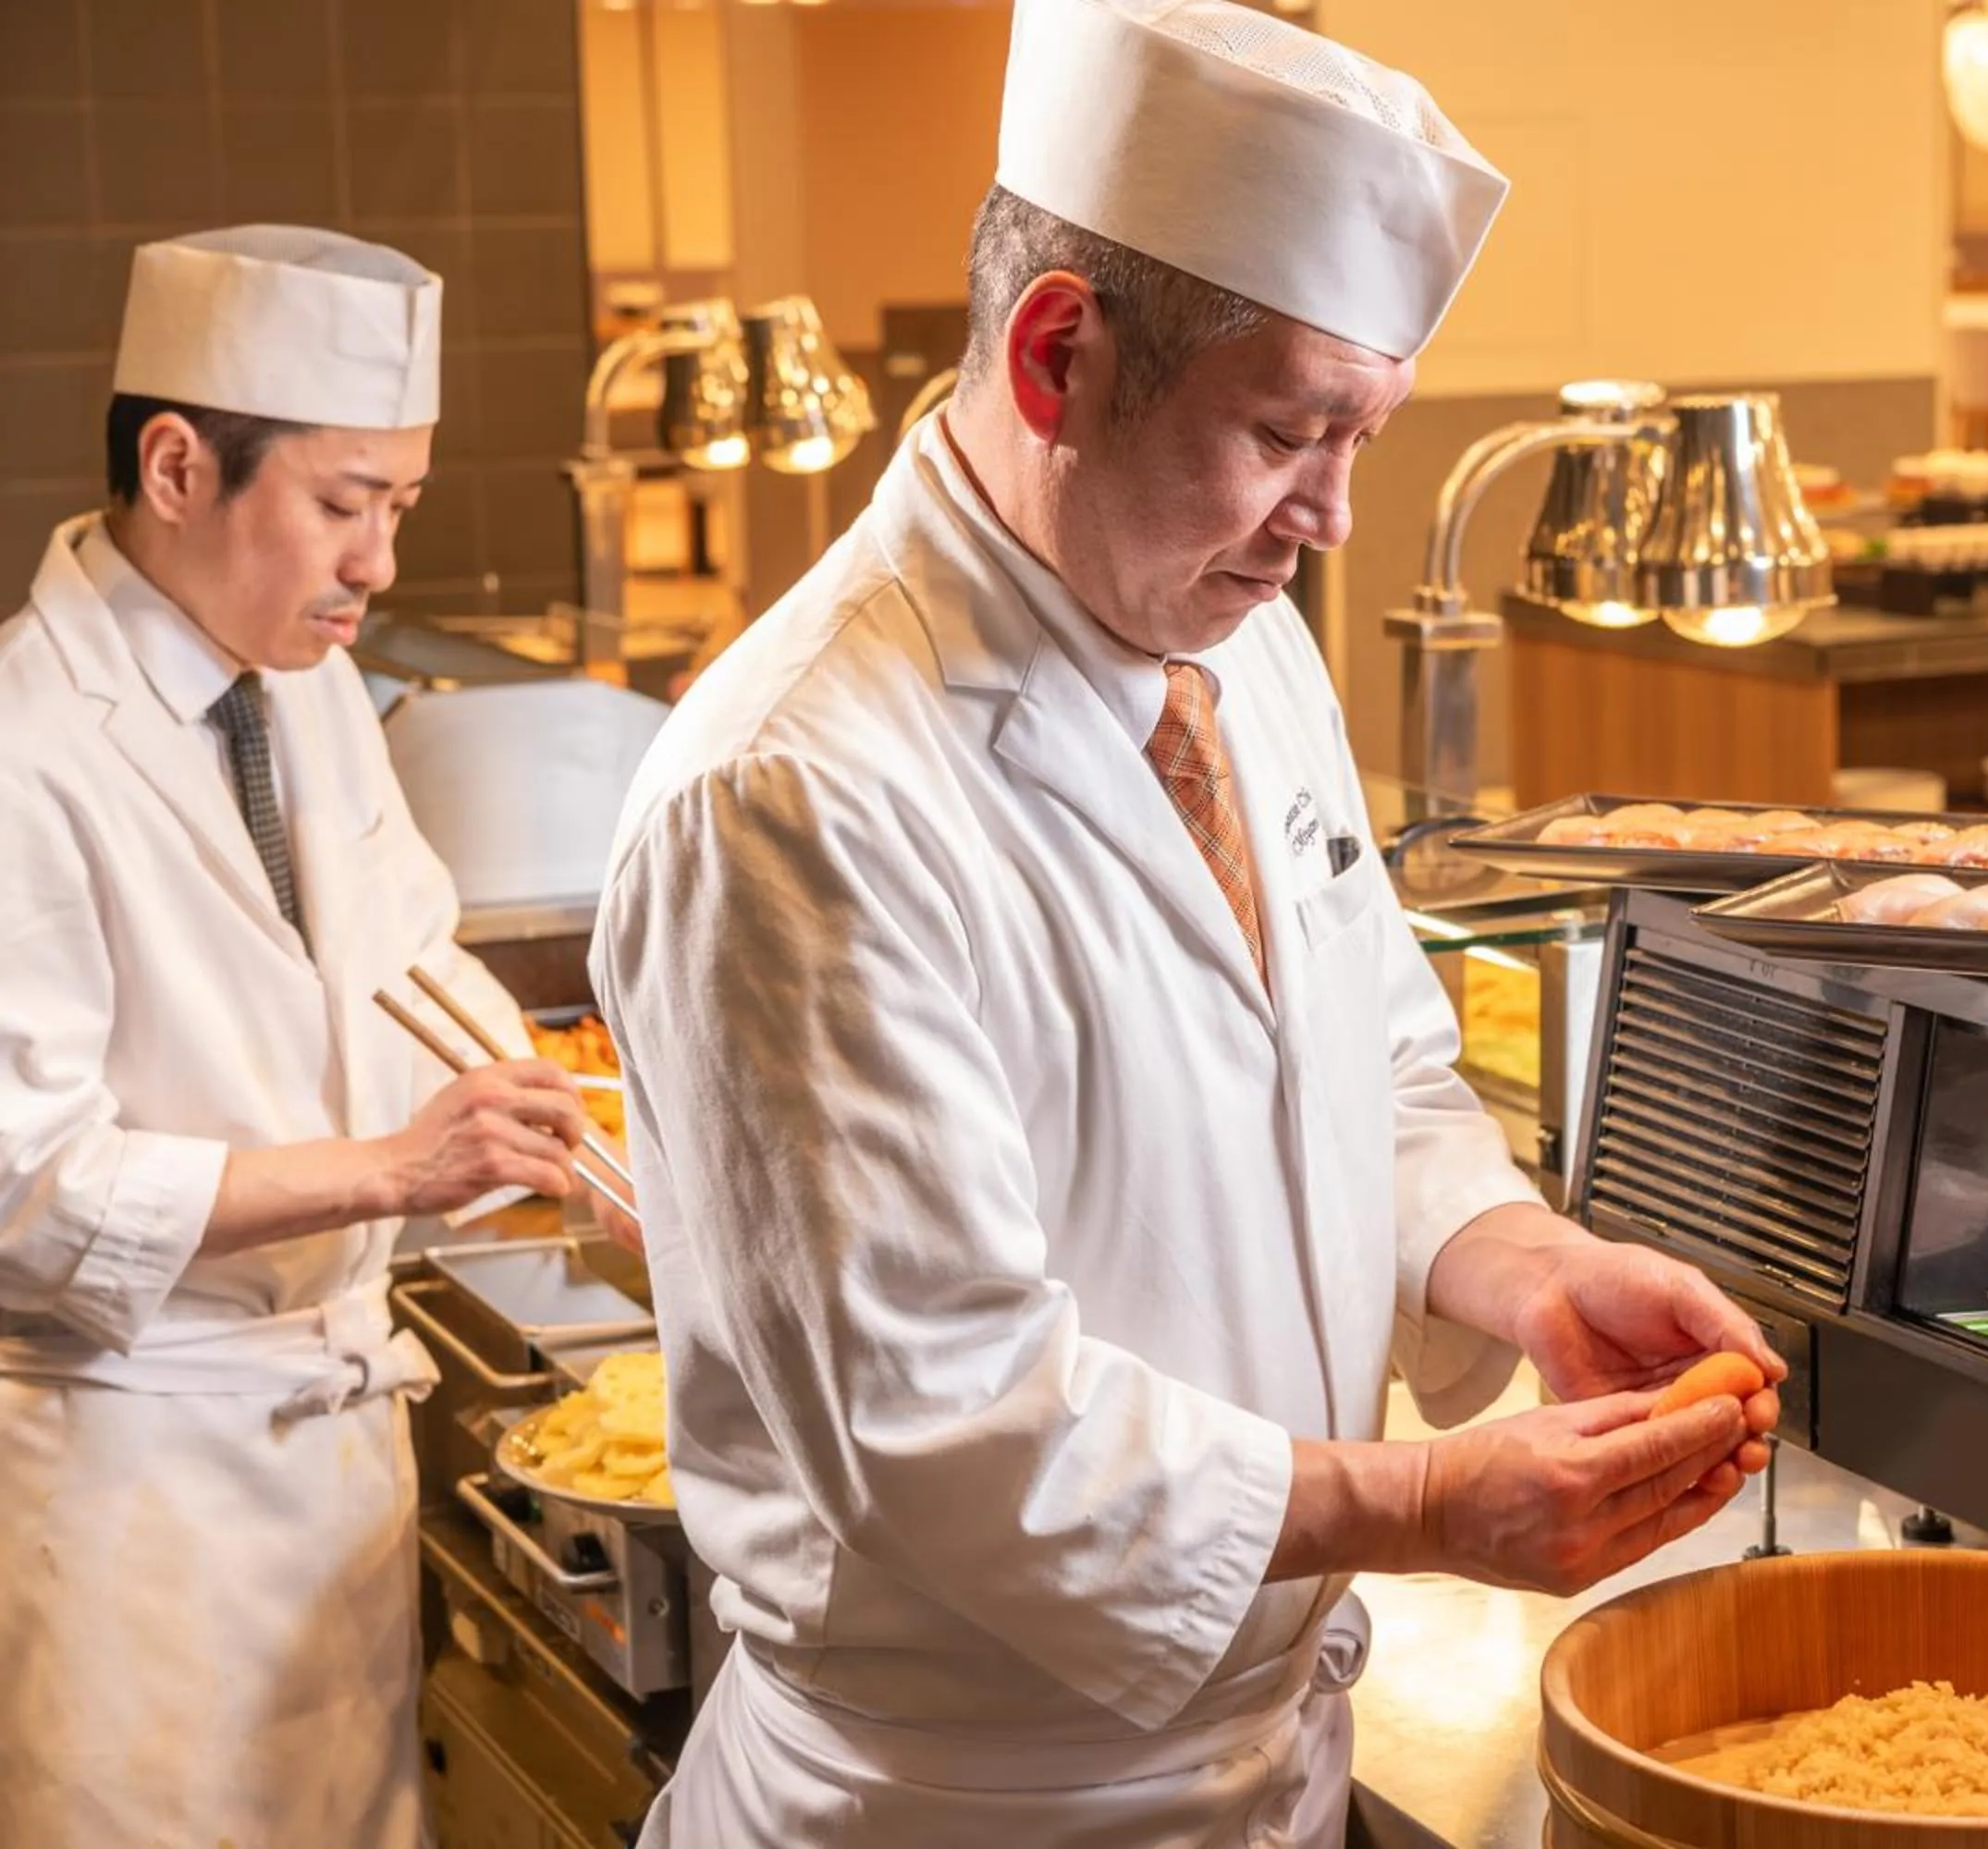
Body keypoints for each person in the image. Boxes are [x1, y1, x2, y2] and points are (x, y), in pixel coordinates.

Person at [592, 4, 1786, 1844]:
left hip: (1261, 1772)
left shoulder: (1235, 643)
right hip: (963, 1808)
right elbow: (946, 1425)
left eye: (1364, 434)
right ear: (1061, 353)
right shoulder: (795, 789)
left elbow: (1371, 1060)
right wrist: (1428, 1500)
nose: (1329, 517)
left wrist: (1514, 1256)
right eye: (1291, 429)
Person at [0, 225, 600, 1847]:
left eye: (396, 509)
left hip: (335, 1493)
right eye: (345, 507)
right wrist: (393, 1169)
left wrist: (598, 1142)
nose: (379, 566)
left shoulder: (305, 693)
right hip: (130, 1506)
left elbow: (411, 964)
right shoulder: (25, 745)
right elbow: (28, 1195)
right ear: (180, 467)